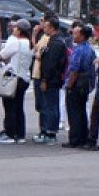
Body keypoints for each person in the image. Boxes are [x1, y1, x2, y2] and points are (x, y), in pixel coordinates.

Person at [0, 19, 32, 144]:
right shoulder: (30, 43)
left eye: (16, 28)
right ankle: (20, 134)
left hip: (13, 77)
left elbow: (1, 56)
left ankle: (10, 133)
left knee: (9, 106)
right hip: (24, 77)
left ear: (19, 30)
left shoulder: (16, 43)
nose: (14, 29)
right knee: (19, 106)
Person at [32, 17, 67, 145]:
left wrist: (45, 79)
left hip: (51, 80)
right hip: (52, 79)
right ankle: (48, 131)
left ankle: (50, 132)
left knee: (50, 105)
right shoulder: (53, 41)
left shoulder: (56, 43)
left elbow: (50, 64)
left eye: (46, 26)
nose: (44, 28)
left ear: (52, 27)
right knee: (49, 105)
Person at [64, 23, 96, 148]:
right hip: (86, 83)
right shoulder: (90, 49)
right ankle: (83, 136)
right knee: (82, 110)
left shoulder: (78, 50)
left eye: (76, 33)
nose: (73, 35)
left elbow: (74, 70)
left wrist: (69, 85)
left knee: (74, 112)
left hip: (77, 83)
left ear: (82, 36)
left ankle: (75, 139)